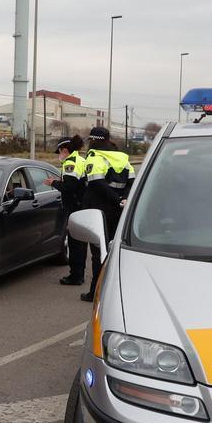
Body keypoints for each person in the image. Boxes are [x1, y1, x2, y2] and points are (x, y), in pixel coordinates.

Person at [80, 126, 135, 303]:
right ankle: (114, 292)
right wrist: (123, 199)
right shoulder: (122, 157)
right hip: (118, 212)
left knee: (98, 253)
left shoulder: (95, 156)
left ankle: (95, 292)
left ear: (94, 140)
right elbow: (132, 181)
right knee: (115, 251)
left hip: (99, 211)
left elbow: (97, 184)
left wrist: (115, 200)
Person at [45, 135, 87, 285]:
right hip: (82, 205)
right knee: (81, 243)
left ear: (65, 150)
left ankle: (75, 276)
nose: (59, 155)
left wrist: (54, 182)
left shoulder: (71, 163)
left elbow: (69, 187)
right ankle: (79, 274)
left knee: (75, 244)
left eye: (59, 152)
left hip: (75, 207)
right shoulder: (81, 160)